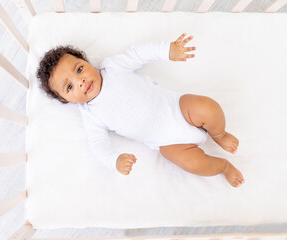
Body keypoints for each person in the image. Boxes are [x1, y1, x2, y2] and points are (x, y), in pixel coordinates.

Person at [36, 33, 245, 187]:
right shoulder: (91, 115)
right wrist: (114, 161)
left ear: (87, 62)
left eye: (79, 69)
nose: (80, 82)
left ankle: (220, 134)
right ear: (66, 100)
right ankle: (223, 167)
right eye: (70, 87)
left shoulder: (112, 68)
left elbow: (138, 54)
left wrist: (166, 50)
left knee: (208, 108)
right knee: (191, 164)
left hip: (178, 109)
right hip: (169, 143)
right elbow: (98, 145)